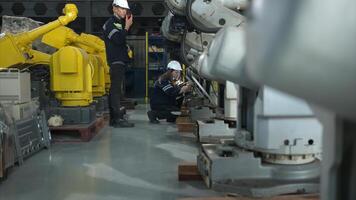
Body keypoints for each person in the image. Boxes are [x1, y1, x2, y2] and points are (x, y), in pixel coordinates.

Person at [103, 0, 134, 128]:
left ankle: (116, 117)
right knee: (115, 90)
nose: (124, 11)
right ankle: (116, 120)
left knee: (117, 90)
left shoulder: (118, 23)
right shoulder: (110, 24)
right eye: (121, 9)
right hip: (115, 60)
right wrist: (127, 26)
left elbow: (121, 41)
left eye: (125, 9)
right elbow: (118, 39)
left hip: (120, 60)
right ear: (114, 8)